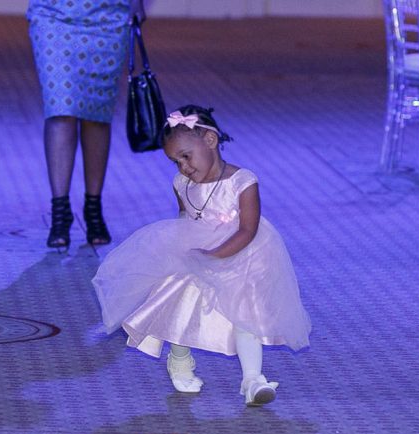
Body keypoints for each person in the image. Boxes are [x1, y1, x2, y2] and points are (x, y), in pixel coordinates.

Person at [92, 105, 310, 407]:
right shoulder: (181, 184)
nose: (183, 167)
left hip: (242, 255)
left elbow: (248, 230)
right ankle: (180, 361)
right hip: (198, 252)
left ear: (210, 141)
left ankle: (252, 380)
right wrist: (185, 254)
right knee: (179, 305)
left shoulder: (243, 181)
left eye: (186, 156)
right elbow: (185, 220)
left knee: (245, 314)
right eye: (175, 161)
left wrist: (216, 255)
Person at [27, 0, 145, 249]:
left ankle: (93, 207)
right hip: (53, 15)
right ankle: (60, 212)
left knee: (97, 114)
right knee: (60, 108)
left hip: (109, 16)